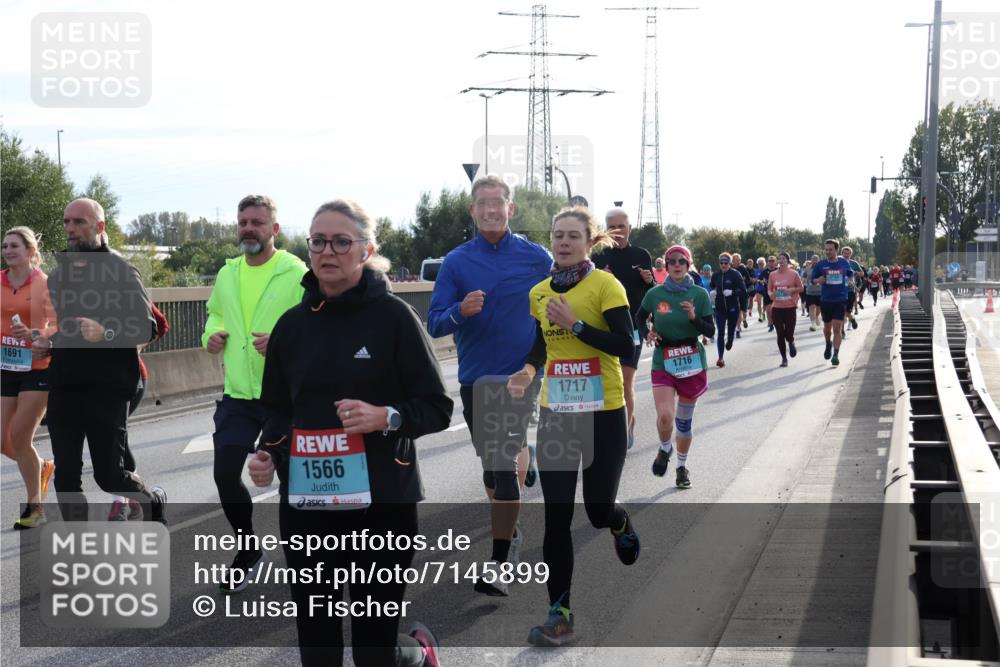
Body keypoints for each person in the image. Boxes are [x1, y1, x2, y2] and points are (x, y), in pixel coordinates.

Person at [249, 198, 450, 667]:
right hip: (308, 506)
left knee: (372, 648)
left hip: (382, 502)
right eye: (318, 241)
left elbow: (437, 408)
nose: (327, 251)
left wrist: (387, 416)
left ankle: (414, 655)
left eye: (341, 241)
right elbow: (278, 411)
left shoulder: (395, 318)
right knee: (317, 643)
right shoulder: (291, 327)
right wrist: (268, 455)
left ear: (366, 250)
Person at [507, 206, 640, 647]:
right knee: (557, 515)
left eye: (572, 236)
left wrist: (578, 325)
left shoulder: (605, 284)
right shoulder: (540, 292)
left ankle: (618, 520)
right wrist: (527, 369)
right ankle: (560, 613)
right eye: (557, 235)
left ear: (589, 241)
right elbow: (539, 344)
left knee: (597, 509)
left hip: (604, 411)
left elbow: (627, 342)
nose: (563, 242)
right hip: (558, 415)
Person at [427, 175, 551, 595]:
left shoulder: (537, 259)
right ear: (473, 211)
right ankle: (511, 519)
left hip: (519, 378)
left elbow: (559, 306)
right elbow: (435, 321)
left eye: (498, 203)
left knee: (500, 464)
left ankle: (500, 561)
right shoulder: (457, 262)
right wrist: (461, 311)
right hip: (474, 379)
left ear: (511, 209)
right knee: (491, 465)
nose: (491, 210)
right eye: (483, 203)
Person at [201, 194, 308, 592]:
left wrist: (283, 342)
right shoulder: (227, 273)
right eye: (243, 221)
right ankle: (248, 549)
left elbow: (313, 322)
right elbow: (215, 312)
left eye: (257, 222)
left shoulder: (295, 271)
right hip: (239, 395)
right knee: (225, 475)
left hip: (283, 397)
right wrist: (211, 334)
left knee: (290, 481)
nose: (248, 228)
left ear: (274, 229)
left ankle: (301, 556)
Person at [36, 198, 166, 523]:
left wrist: (106, 332)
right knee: (65, 479)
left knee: (109, 476)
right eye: (66, 222)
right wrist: (46, 343)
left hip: (107, 388)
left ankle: (153, 505)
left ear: (100, 226)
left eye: (79, 222)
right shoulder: (57, 277)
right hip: (65, 385)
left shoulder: (122, 270)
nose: (70, 229)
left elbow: (147, 326)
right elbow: (65, 328)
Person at [638, 245, 714, 489]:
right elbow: (639, 317)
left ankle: (681, 467)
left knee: (683, 424)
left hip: (691, 359)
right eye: (672, 261)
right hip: (664, 359)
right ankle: (664, 448)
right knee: (664, 416)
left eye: (682, 261)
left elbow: (711, 330)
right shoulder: (655, 293)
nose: (677, 265)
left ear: (688, 264)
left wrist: (694, 318)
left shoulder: (699, 294)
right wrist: (647, 333)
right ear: (667, 266)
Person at [2, 227, 57, 529]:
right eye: (5, 246)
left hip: (37, 368)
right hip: (6, 367)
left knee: (20, 436)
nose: (8, 251)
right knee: (3, 440)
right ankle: (43, 467)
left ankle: (34, 507)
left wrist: (37, 334)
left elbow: (59, 326)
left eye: (14, 246)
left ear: (31, 251)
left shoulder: (44, 285)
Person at [591, 207, 654, 450]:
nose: (617, 231)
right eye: (612, 227)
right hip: (603, 326)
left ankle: (625, 429)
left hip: (633, 326)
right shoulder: (599, 257)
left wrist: (650, 281)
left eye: (622, 226)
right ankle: (612, 424)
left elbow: (651, 292)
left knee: (626, 380)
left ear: (630, 229)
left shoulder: (641, 254)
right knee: (607, 382)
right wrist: (598, 276)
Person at [108, 301, 170, 521]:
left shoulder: (125, 287)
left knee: (113, 434)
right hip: (92, 383)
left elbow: (160, 324)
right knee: (110, 436)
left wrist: (138, 345)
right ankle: (136, 497)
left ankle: (121, 502)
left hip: (129, 378)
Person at [810, 239, 854, 367]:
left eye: (830, 249)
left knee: (837, 328)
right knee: (827, 329)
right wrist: (819, 280)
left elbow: (850, 274)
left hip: (840, 299)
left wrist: (850, 281)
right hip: (826, 300)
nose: (828, 252)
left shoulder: (844, 263)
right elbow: (812, 280)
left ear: (836, 250)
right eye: (826, 249)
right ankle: (828, 343)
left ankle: (835, 354)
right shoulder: (820, 264)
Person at [707, 253, 746, 368]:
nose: (723, 265)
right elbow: (712, 285)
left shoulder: (735, 274)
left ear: (729, 263)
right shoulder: (716, 275)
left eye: (726, 263)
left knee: (730, 331)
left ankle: (730, 339)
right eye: (721, 263)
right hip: (720, 308)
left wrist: (732, 292)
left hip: (733, 307)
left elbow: (743, 291)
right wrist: (713, 292)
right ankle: (720, 358)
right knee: (720, 332)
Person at [767, 252, 803, 367]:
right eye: (780, 258)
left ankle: (791, 341)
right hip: (777, 307)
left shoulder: (794, 274)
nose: (781, 260)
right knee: (780, 333)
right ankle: (784, 358)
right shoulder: (772, 275)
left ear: (788, 261)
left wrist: (791, 290)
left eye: (784, 258)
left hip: (790, 307)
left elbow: (801, 288)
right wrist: (772, 294)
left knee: (789, 332)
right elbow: (769, 289)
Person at [841, 246, 863, 330]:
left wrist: (855, 272)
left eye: (848, 253)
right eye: (844, 253)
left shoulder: (854, 263)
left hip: (850, 290)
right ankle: (842, 331)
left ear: (850, 254)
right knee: (841, 311)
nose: (846, 255)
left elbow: (862, 273)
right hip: (840, 290)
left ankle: (852, 319)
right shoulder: (838, 262)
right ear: (842, 253)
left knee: (847, 312)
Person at [732, 253, 752, 334]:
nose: (737, 261)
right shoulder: (730, 269)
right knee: (738, 311)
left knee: (743, 311)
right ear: (732, 260)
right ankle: (738, 328)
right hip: (734, 293)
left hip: (743, 293)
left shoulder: (743, 269)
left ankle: (744, 320)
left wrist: (743, 281)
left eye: (738, 260)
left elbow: (748, 279)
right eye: (735, 259)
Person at [803, 254, 823, 331]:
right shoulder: (807, 269)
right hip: (810, 291)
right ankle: (813, 324)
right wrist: (804, 282)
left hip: (820, 292)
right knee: (811, 307)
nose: (814, 261)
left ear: (818, 261)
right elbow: (804, 278)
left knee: (818, 309)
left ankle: (817, 317)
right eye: (813, 260)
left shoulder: (822, 269)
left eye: (816, 260)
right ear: (811, 260)